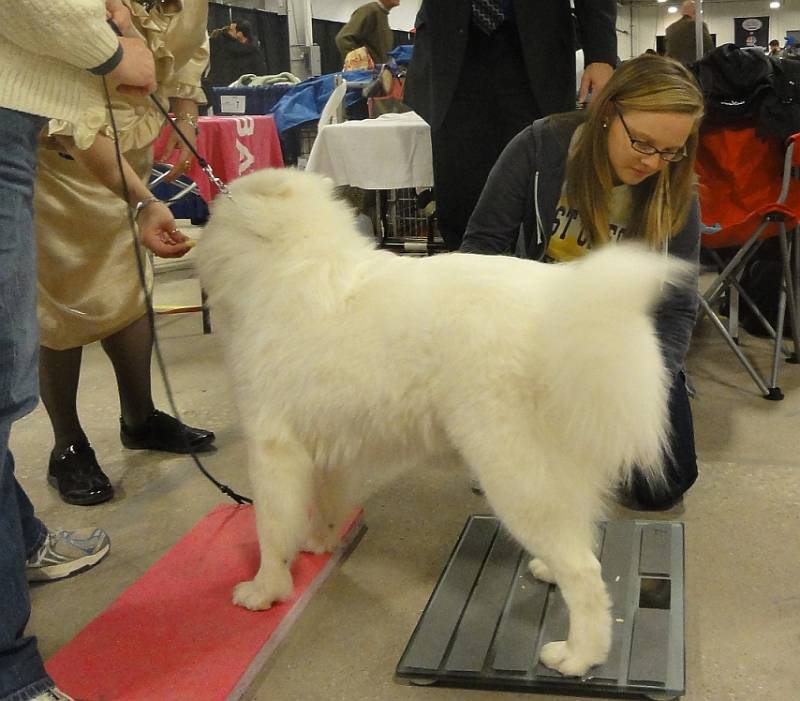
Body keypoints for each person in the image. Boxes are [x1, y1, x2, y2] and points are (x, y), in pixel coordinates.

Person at [0, 3, 163, 700]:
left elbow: (58, 102)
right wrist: (113, 46)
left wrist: (140, 197)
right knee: (7, 379)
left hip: (24, 120)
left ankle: (22, 534)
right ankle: (8, 670)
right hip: (17, 126)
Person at [460, 54, 704, 510]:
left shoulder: (678, 190)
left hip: (622, 343)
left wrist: (652, 379)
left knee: (662, 486)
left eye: (671, 150)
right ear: (608, 113)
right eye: (643, 143)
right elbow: (480, 251)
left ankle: (566, 443)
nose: (654, 162)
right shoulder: (540, 147)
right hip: (530, 329)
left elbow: (677, 308)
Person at [34, 0, 214, 507]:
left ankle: (140, 417)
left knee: (132, 285)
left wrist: (186, 111)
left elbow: (188, 47)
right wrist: (143, 199)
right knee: (65, 296)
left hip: (131, 144)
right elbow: (67, 111)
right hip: (62, 154)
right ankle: (67, 444)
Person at [405, 1, 617, 252]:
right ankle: (466, 281)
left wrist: (601, 54)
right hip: (449, 50)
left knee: (540, 192)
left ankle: (536, 283)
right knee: (459, 193)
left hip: (538, 50)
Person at [205, 20, 268, 88]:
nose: (228, 31)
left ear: (240, 33)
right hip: (244, 87)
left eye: (231, 30)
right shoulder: (254, 49)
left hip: (223, 87)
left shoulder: (221, 45)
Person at [335, 0, 400, 65]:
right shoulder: (370, 10)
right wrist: (361, 63)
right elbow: (343, 38)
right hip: (367, 73)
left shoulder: (381, 13)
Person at [665, 0, 713, 65]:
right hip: (694, 69)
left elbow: (669, 52)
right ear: (695, 12)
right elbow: (708, 48)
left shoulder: (670, 28)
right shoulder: (698, 26)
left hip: (676, 69)